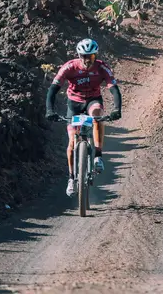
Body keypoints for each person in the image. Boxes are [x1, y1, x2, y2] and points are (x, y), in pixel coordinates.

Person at [45, 38, 122, 197]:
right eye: (85, 56)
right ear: (79, 55)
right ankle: (72, 178)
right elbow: (53, 89)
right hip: (74, 103)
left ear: (95, 55)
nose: (88, 60)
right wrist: (49, 110)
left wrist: (117, 109)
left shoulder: (102, 67)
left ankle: (98, 156)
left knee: (97, 115)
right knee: (72, 142)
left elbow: (114, 89)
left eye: (91, 56)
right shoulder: (70, 67)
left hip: (93, 100)